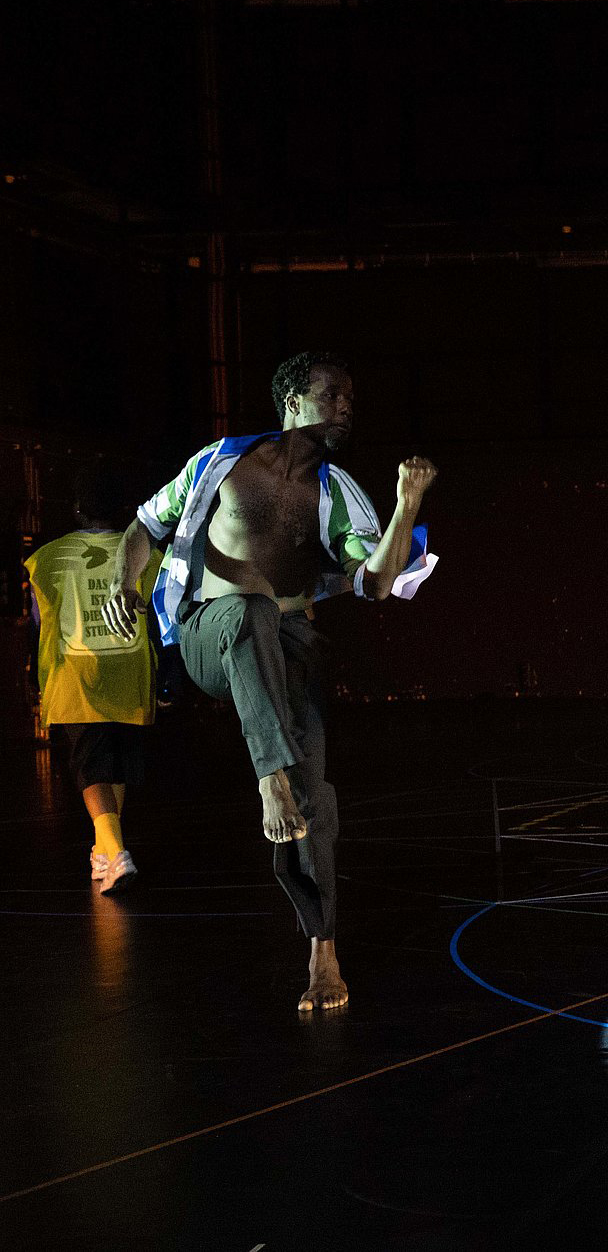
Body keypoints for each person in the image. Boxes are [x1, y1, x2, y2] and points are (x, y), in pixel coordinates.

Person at [102, 352, 439, 1013]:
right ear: (290, 401)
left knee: (315, 798)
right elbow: (145, 525)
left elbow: (373, 581)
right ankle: (269, 779)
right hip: (210, 636)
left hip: (287, 651)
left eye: (350, 394)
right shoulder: (217, 463)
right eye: (332, 392)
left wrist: (405, 508)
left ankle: (322, 949)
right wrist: (124, 582)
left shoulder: (337, 491)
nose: (346, 403)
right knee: (247, 610)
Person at [27, 465, 163, 894]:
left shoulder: (47, 557)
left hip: (79, 673)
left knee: (91, 769)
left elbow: (37, 616)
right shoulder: (145, 552)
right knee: (116, 764)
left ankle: (117, 854)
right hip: (129, 668)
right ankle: (105, 850)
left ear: (77, 509)